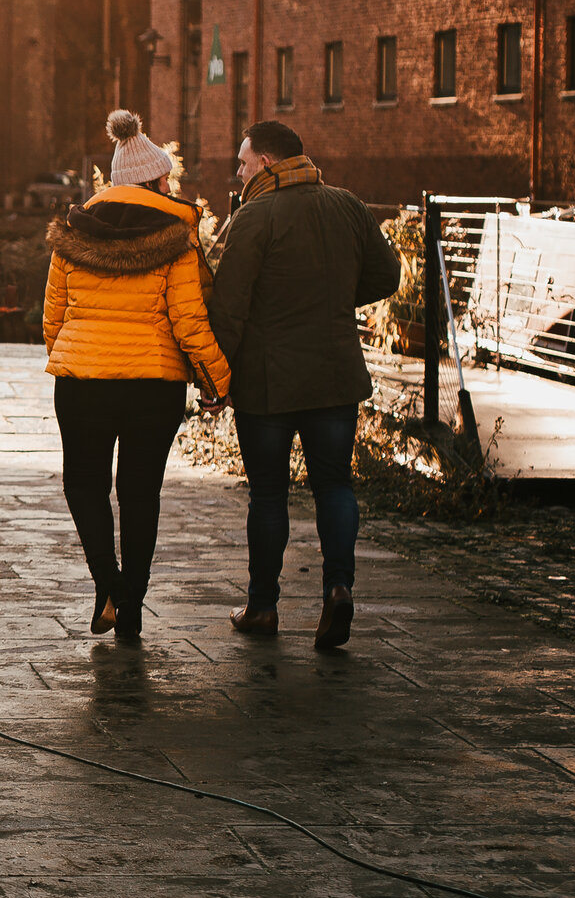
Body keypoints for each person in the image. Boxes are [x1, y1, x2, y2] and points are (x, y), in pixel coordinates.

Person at [206, 120, 403, 649]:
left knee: (268, 495)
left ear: (267, 163)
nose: (240, 173)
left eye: (244, 164)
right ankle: (338, 588)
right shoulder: (347, 205)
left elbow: (228, 309)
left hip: (267, 386)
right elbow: (389, 276)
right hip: (335, 377)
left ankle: (263, 608)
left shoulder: (254, 217)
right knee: (335, 486)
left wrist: (211, 378)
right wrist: (334, 299)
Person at [42, 110, 232, 645]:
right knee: (140, 492)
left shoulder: (74, 229)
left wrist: (71, 355)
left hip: (82, 382)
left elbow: (52, 317)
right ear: (155, 180)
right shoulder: (177, 236)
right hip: (154, 384)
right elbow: (189, 320)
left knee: (84, 483)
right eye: (166, 178)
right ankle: (132, 606)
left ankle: (108, 583)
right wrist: (218, 380)